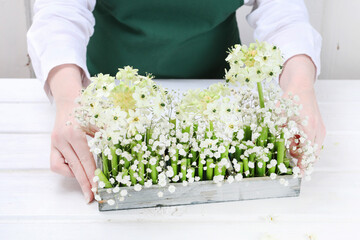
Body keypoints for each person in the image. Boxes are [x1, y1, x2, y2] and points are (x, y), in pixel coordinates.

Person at [27, 0, 326, 203]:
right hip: (109, 97)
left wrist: (300, 88)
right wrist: (69, 97)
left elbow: (283, 14)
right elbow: (60, 11)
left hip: (217, 91)